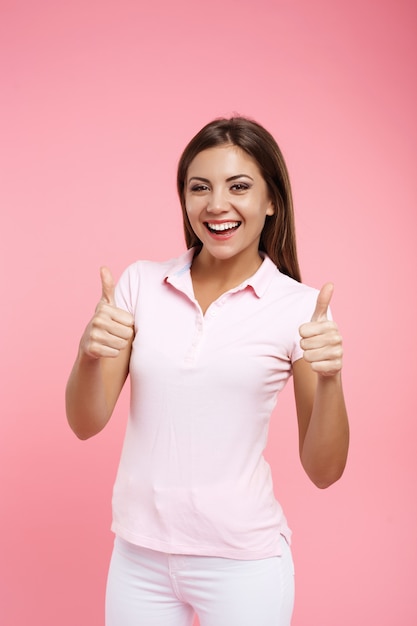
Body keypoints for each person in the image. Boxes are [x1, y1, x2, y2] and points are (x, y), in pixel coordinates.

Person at [66, 116, 349, 626]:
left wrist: (329, 380)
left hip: (242, 564)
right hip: (138, 556)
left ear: (271, 201)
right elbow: (85, 423)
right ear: (185, 200)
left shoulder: (300, 308)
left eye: (238, 186)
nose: (217, 204)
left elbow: (324, 472)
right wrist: (88, 355)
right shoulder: (139, 285)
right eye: (200, 188)